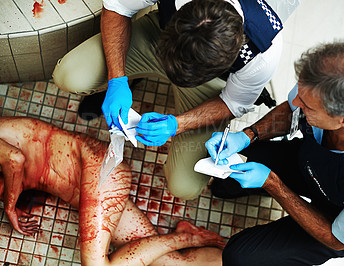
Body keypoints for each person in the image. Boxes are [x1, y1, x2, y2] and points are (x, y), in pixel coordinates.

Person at [52, 0, 301, 200]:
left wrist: (176, 125)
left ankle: (178, 82)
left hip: (213, 85)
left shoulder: (262, 53)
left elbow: (232, 104)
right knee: (70, 75)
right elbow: (118, 7)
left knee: (185, 186)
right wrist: (117, 79)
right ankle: (132, 79)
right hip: (157, 38)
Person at [205, 41, 344, 265]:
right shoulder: (325, 88)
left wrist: (273, 184)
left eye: (307, 105)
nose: (296, 102)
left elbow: (337, 239)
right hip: (310, 164)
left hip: (335, 217)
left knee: (239, 257)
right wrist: (247, 136)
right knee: (232, 172)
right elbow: (290, 110)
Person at [0, 116, 224, 265]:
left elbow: (15, 159)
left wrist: (10, 207)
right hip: (88, 195)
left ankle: (187, 238)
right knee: (170, 263)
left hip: (97, 170)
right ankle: (197, 242)